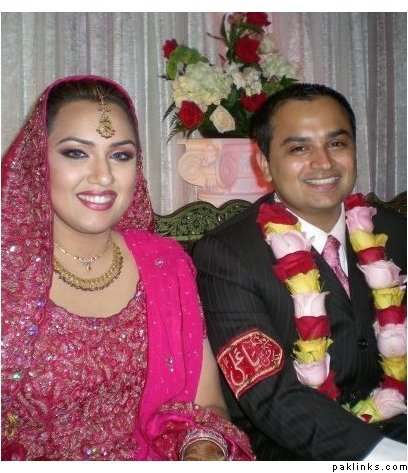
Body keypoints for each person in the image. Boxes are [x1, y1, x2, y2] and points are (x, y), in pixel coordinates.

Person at [1, 75, 255, 461]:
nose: (103, 176)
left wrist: (202, 448)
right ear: (39, 161)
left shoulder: (165, 264)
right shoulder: (8, 272)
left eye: (120, 155)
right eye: (76, 153)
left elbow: (206, 405)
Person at [193, 83, 407, 461]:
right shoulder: (227, 255)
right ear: (263, 163)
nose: (323, 163)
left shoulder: (396, 231)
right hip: (293, 448)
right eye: (299, 148)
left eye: (337, 143)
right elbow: (270, 396)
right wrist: (388, 459)